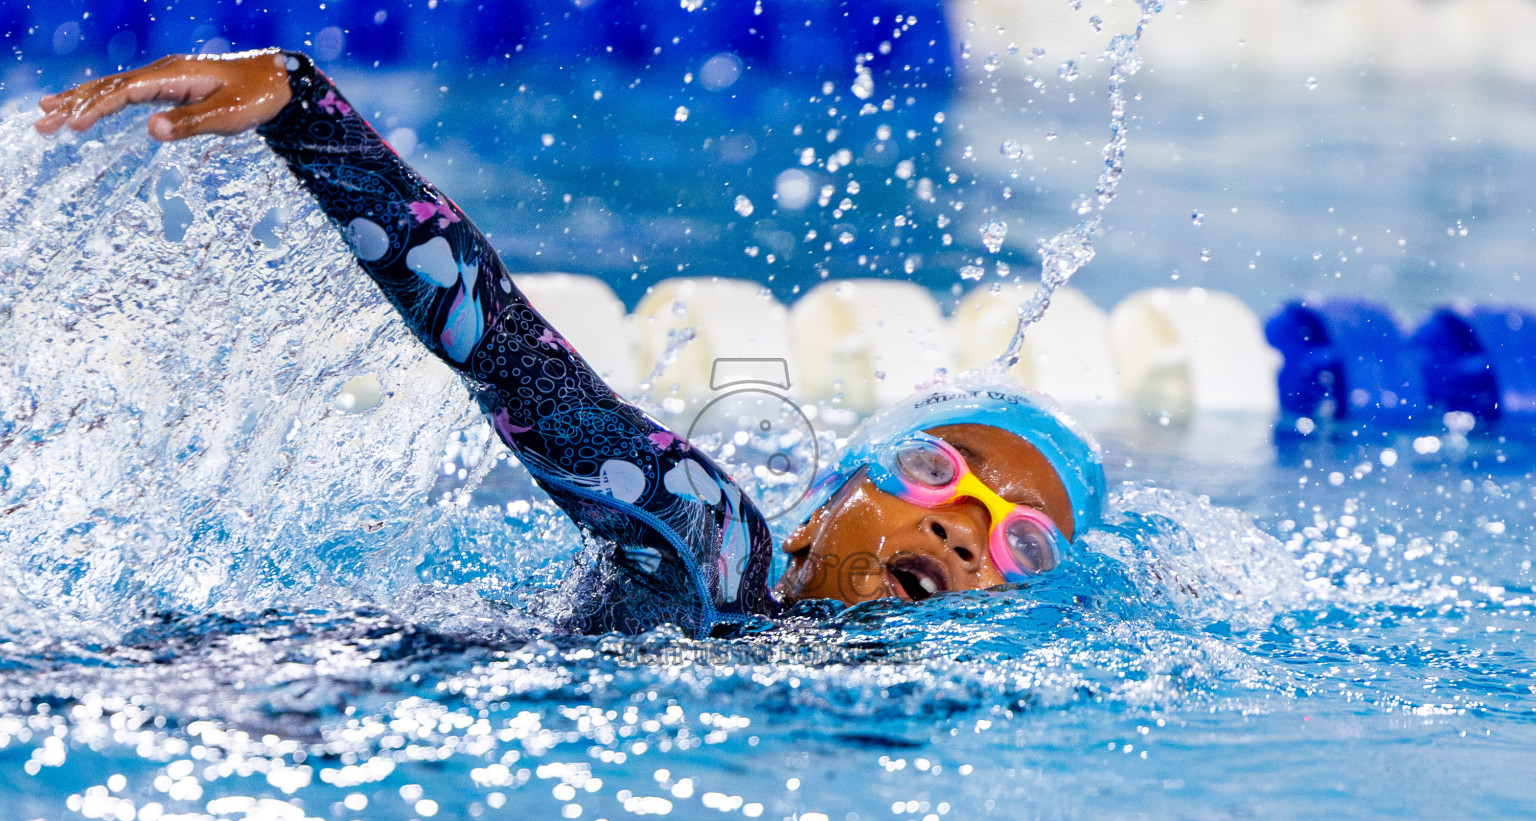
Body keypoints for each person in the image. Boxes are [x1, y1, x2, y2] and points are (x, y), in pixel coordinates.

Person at [33, 49, 1107, 637]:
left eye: (1023, 546)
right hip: (277, 701)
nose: (970, 535)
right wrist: (308, 112)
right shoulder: (714, 549)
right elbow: (518, 364)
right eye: (937, 473)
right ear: (829, 497)